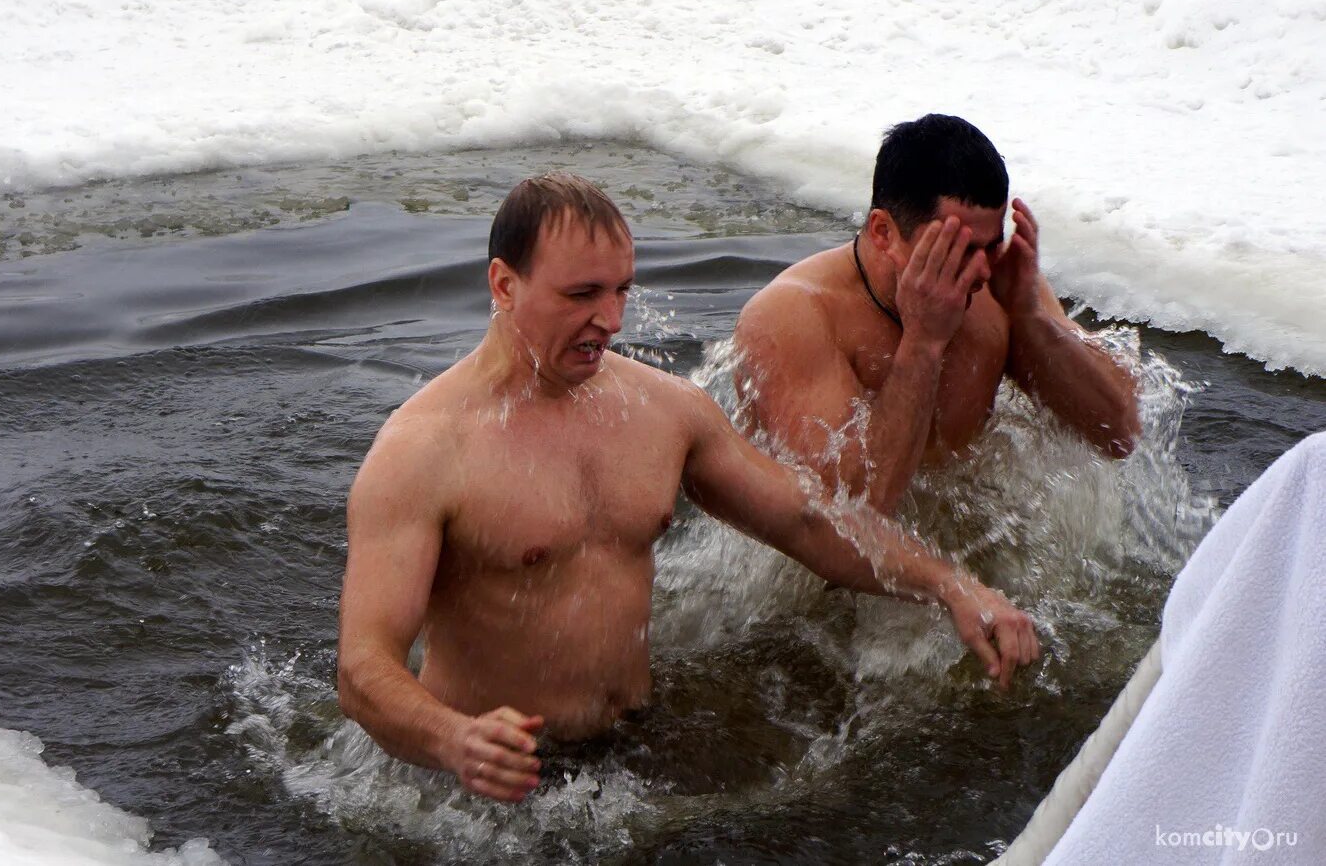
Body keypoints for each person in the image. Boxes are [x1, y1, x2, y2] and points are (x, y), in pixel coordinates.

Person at [337, 172, 1038, 805]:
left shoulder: (661, 411)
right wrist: (455, 740)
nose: (610, 320)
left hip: (637, 748)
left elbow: (806, 519)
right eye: (581, 294)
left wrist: (952, 585)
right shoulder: (423, 451)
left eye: (621, 291)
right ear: (503, 284)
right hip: (489, 786)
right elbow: (364, 666)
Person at [734, 114, 1140, 517]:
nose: (981, 270)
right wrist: (923, 342)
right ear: (883, 232)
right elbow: (848, 518)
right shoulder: (791, 315)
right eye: (956, 248)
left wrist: (1030, 317)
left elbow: (1119, 435)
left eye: (990, 245)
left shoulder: (998, 285)